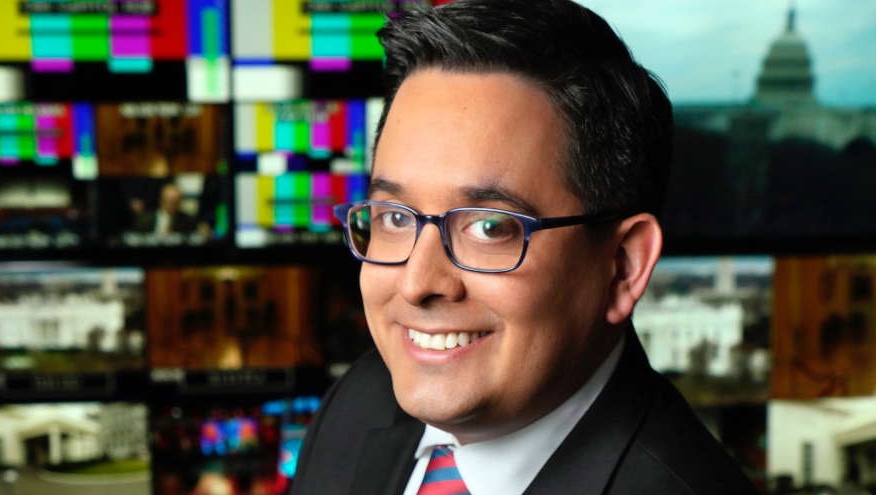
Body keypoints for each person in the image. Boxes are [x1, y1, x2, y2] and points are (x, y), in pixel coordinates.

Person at [292, 1, 760, 494]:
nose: (416, 284)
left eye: (491, 227)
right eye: (393, 217)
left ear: (623, 266)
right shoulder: (355, 404)